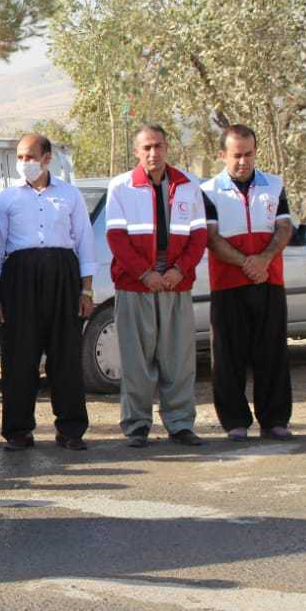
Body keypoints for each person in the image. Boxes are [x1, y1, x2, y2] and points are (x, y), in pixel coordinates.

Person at [0, 134, 96, 451]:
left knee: (66, 355)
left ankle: (71, 429)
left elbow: (85, 241)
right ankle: (18, 430)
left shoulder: (70, 195)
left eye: (30, 157)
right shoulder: (7, 199)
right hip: (19, 279)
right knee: (19, 357)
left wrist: (86, 291)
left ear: (47, 158)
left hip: (63, 276)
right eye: (20, 157)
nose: (24, 163)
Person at [105, 125, 208, 449]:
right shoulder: (120, 187)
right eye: (147, 147)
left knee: (178, 360)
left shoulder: (188, 185)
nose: (153, 153)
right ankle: (137, 425)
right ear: (137, 151)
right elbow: (116, 239)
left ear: (167, 148)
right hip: (135, 287)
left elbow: (199, 236)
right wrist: (144, 274)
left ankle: (180, 424)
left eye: (159, 146)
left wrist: (179, 270)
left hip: (176, 285)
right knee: (136, 362)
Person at [201, 125, 294, 442]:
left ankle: (275, 420)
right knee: (229, 356)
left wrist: (264, 260)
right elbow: (211, 238)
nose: (243, 161)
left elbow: (284, 228)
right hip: (228, 284)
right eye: (236, 155)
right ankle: (235, 421)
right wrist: (246, 263)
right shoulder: (208, 190)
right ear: (222, 155)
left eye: (249, 154)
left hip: (270, 280)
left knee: (273, 352)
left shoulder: (274, 185)